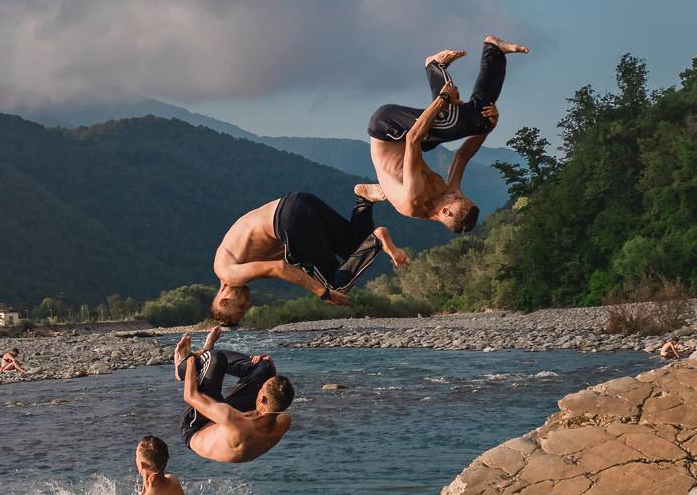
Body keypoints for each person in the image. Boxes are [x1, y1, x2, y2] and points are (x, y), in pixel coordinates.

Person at [358, 36, 528, 233]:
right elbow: (462, 156)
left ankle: (434, 65)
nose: (457, 193)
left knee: (451, 122)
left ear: (446, 212)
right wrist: (489, 128)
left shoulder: (414, 198)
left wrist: (443, 98)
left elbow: (413, 139)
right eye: (462, 195)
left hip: (387, 128)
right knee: (481, 120)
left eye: (458, 198)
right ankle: (494, 51)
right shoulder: (449, 197)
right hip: (410, 139)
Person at [209, 193, 410, 326]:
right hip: (298, 202)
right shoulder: (228, 262)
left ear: (224, 302)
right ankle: (364, 200)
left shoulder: (229, 274)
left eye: (241, 308)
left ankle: (377, 239)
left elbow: (280, 268)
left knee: (336, 287)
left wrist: (323, 293)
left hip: (287, 221)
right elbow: (288, 261)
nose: (247, 305)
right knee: (354, 247)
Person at [174, 326, 293, 463]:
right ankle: (207, 360)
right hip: (229, 422)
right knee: (265, 367)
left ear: (261, 398)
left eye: (261, 388)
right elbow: (277, 398)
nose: (259, 389)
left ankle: (182, 368)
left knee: (215, 358)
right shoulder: (284, 421)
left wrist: (191, 359)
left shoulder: (232, 419)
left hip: (195, 427)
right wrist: (269, 369)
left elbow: (190, 395)